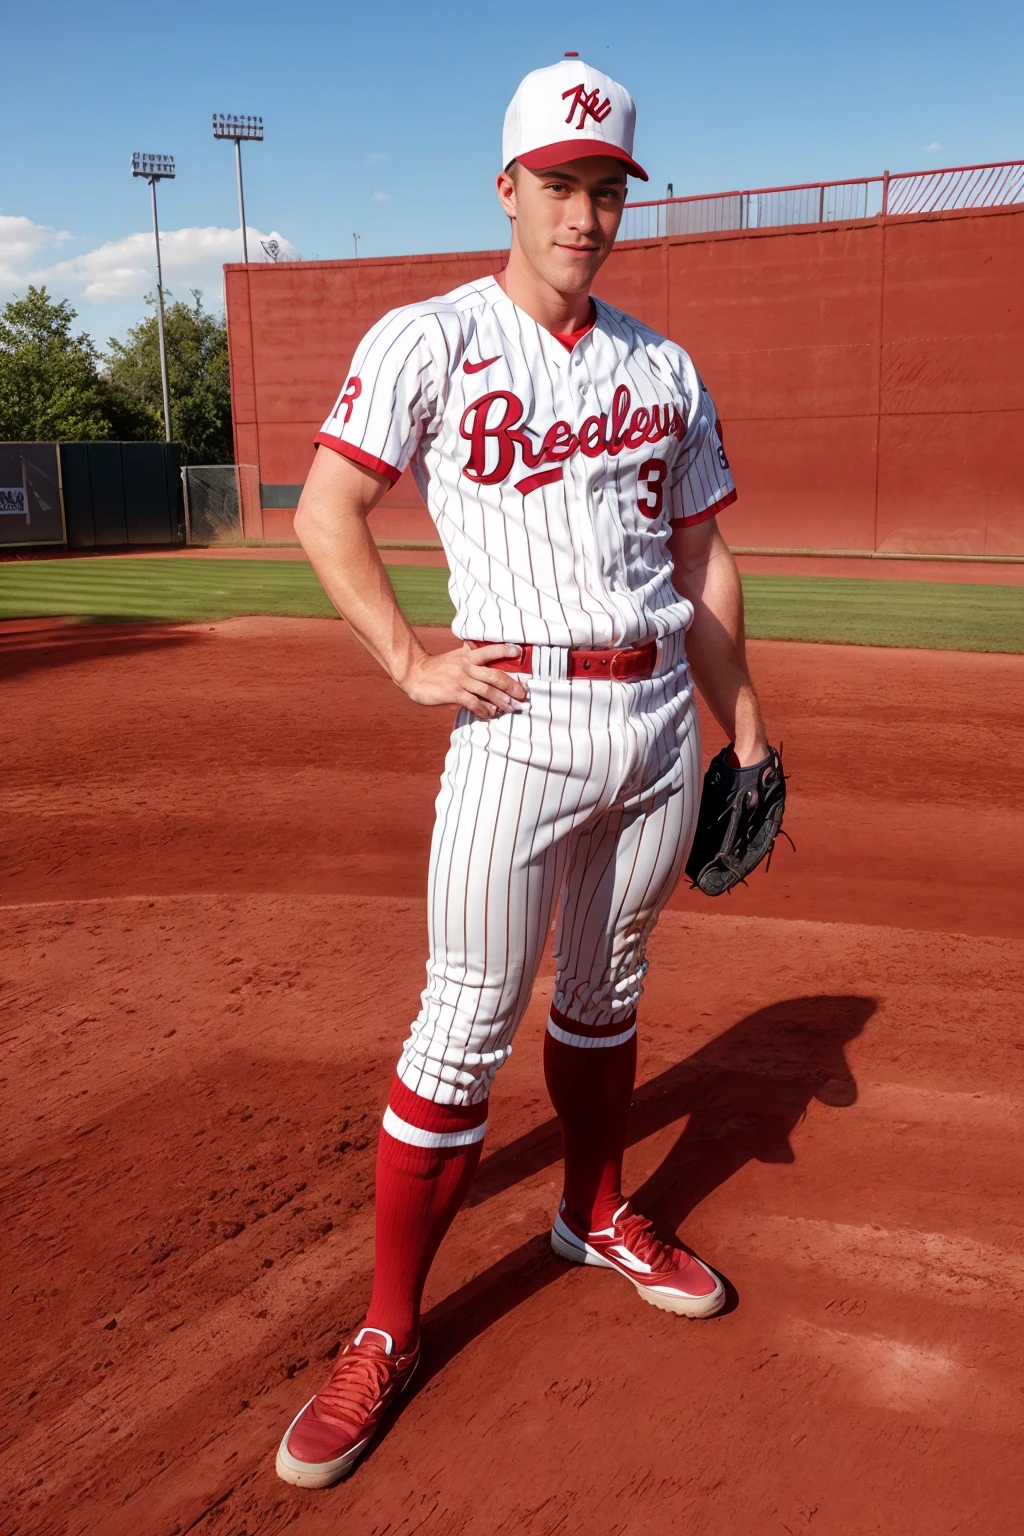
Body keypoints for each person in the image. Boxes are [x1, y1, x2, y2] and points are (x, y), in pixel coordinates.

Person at [275, 56, 771, 1490]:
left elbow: (705, 558)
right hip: (515, 723)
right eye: (562, 184)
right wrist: (409, 660)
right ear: (509, 189)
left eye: (609, 188)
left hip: (662, 715)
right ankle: (385, 1331)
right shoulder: (428, 339)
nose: (587, 211)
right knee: (462, 1026)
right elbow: (329, 511)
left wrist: (754, 726)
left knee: (607, 995)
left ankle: (593, 1211)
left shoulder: (661, 366)